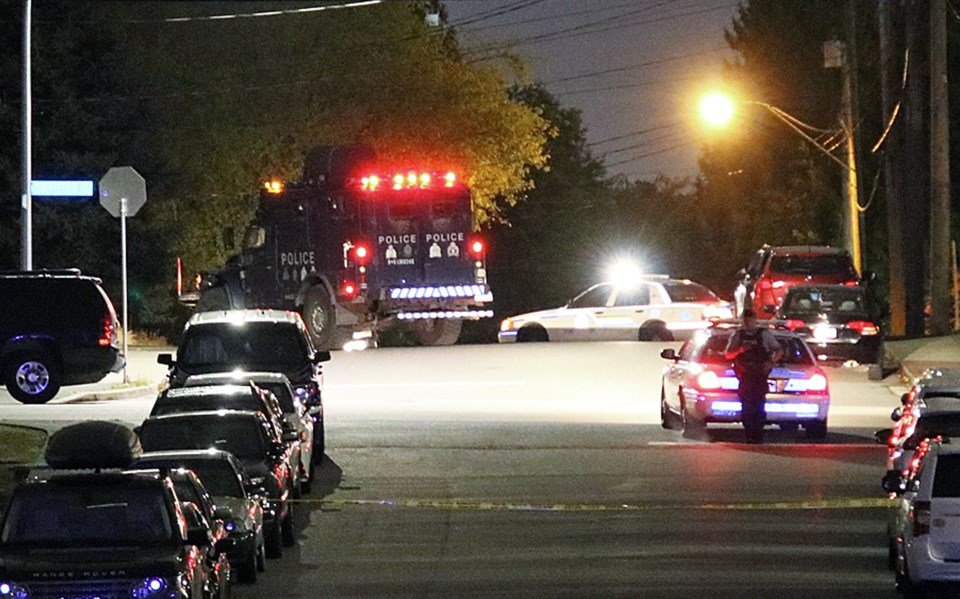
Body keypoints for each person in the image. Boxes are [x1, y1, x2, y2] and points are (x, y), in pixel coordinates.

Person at [724, 308, 783, 444]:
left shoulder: (764, 334)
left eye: (750, 319)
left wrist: (770, 363)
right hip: (745, 376)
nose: (748, 322)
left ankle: (758, 434)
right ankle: (749, 433)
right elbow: (728, 354)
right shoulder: (738, 335)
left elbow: (779, 350)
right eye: (746, 319)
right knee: (747, 407)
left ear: (755, 319)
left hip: (760, 376)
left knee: (759, 406)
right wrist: (740, 350)